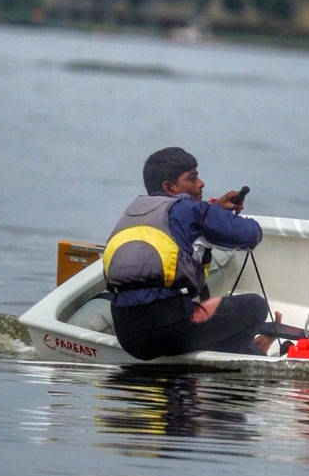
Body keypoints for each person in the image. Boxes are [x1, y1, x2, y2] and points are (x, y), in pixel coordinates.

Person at [104, 147, 272, 361]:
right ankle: (244, 357)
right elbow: (250, 235)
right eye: (192, 178)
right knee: (255, 307)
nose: (201, 183)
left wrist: (213, 210)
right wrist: (214, 214)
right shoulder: (192, 211)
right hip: (172, 330)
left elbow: (181, 225)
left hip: (128, 336)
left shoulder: (131, 212)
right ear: (169, 187)